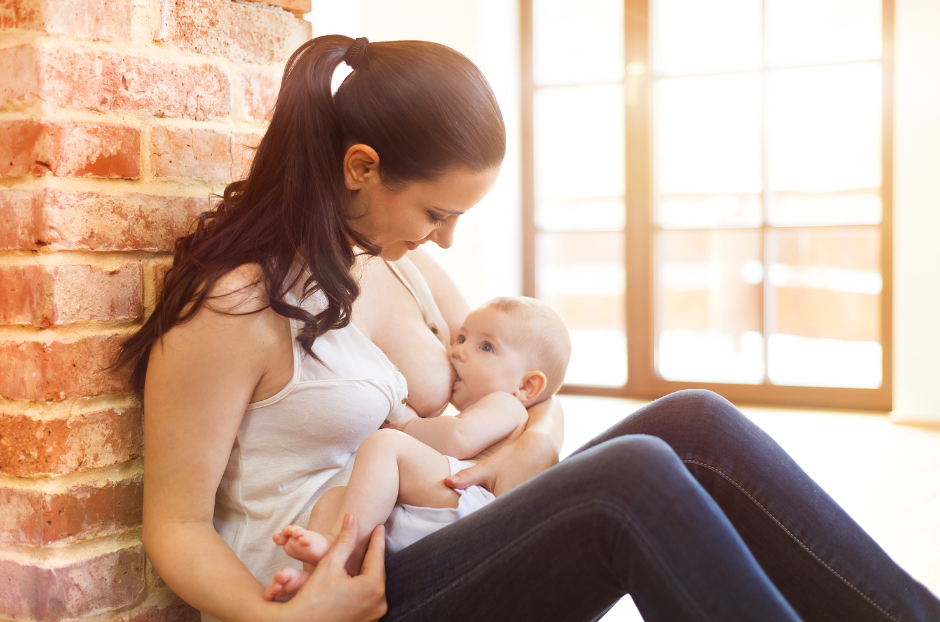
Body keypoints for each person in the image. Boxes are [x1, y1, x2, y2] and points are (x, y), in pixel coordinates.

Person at [115, 33, 940, 622]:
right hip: (358, 591)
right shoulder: (235, 305)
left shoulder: (404, 266)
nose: (448, 239)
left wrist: (524, 446)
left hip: (448, 527)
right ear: (361, 167)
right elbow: (176, 528)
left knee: (694, 421)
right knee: (632, 481)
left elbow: (528, 383)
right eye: (438, 211)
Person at [263, 296, 572, 600]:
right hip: (442, 506)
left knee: (386, 444)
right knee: (335, 500)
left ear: (526, 386)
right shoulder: (493, 406)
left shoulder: (508, 404)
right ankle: (323, 581)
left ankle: (337, 546)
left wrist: (404, 426)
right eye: (461, 338)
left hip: (472, 502)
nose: (458, 351)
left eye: (486, 346)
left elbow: (458, 437)